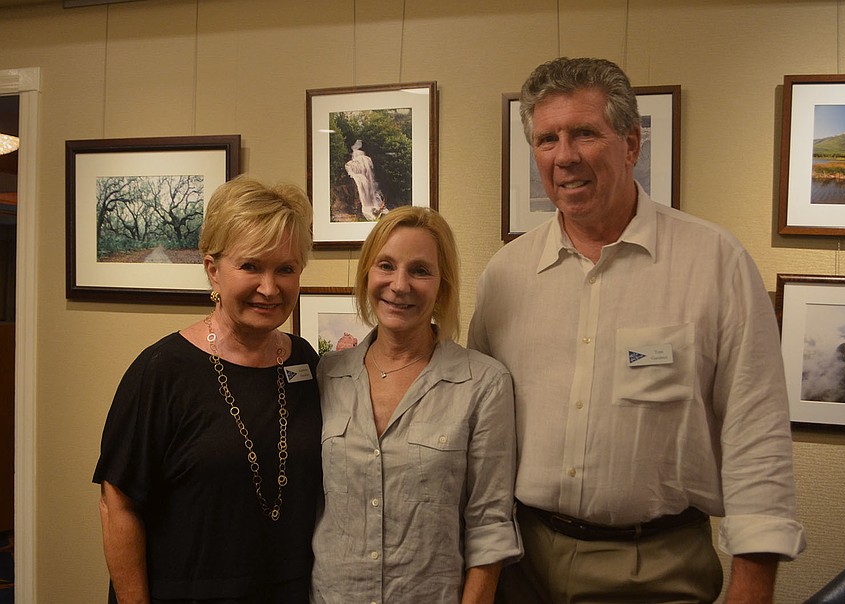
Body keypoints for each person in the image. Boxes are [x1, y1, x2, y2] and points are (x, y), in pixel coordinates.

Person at [467, 57, 806, 603]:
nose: (564, 156)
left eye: (584, 133)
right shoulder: (505, 275)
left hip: (657, 569)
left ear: (631, 143)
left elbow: (757, 434)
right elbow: (479, 435)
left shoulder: (714, 261)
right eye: (546, 139)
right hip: (522, 565)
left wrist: (753, 586)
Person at [93, 175, 321, 603]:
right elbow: (117, 504)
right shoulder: (162, 371)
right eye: (251, 266)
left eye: (285, 269)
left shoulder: (304, 362)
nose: (269, 288)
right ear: (213, 270)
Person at [311, 206, 522, 603]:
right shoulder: (326, 374)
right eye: (386, 266)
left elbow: (489, 525)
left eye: (420, 271)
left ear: (442, 285)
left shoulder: (483, 384)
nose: (399, 284)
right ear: (367, 275)